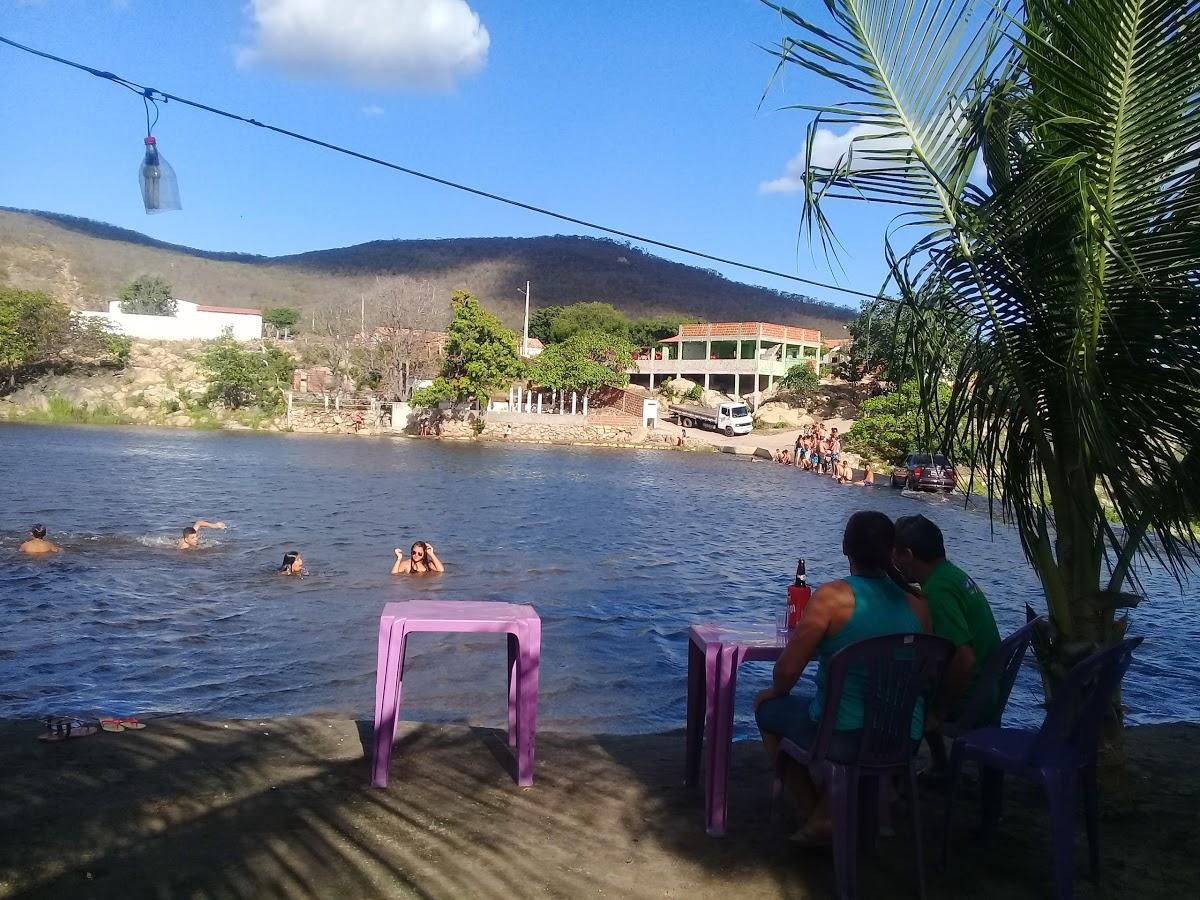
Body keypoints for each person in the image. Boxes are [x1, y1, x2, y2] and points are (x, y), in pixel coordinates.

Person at [754, 511, 930, 844]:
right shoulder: (918, 603)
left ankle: (820, 815)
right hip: (903, 737)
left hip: (846, 737)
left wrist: (773, 690)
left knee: (767, 710)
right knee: (855, 715)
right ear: (893, 550)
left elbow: (787, 674)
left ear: (845, 547)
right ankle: (836, 809)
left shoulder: (832, 598)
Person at [893, 514, 1001, 770]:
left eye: (894, 555)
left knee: (890, 691)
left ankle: (889, 778)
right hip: (989, 689)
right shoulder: (951, 576)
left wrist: (937, 713)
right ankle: (941, 766)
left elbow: (964, 661)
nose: (892, 562)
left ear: (907, 555)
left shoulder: (937, 593)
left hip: (972, 700)